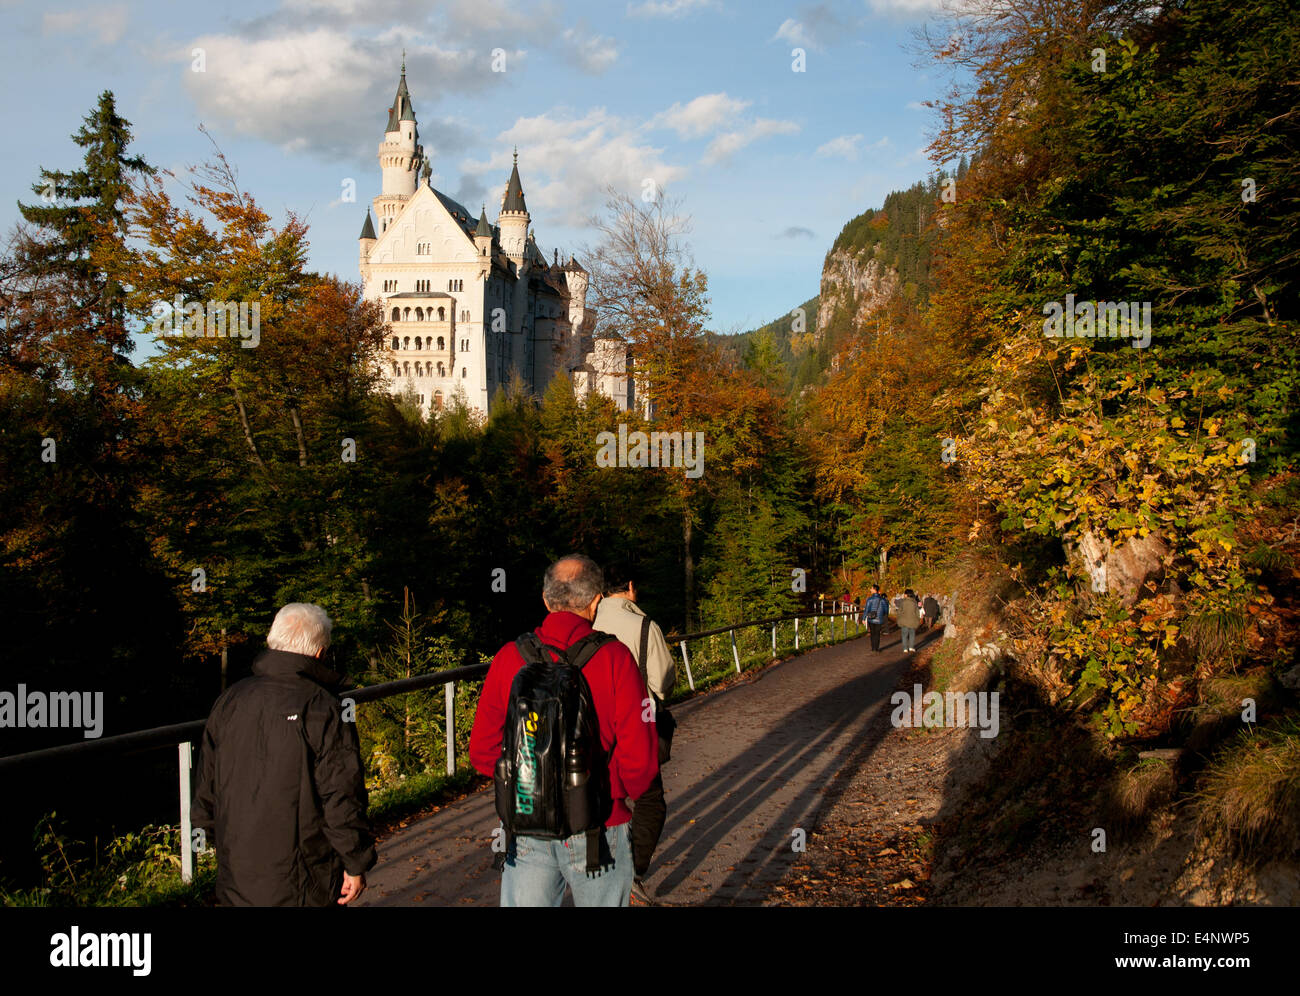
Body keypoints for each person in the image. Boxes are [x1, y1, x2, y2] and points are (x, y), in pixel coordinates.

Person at [470, 555, 658, 907]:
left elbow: (482, 752)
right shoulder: (616, 658)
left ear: (545, 599)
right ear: (596, 601)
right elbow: (641, 761)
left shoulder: (509, 658)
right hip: (600, 825)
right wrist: (616, 793)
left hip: (526, 824)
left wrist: (525, 783)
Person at [192, 603, 376, 906]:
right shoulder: (323, 706)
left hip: (236, 872)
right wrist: (355, 862)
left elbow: (206, 788)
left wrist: (219, 843)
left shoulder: (230, 700)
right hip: (303, 877)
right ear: (319, 654)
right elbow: (341, 794)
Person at [592, 568, 675, 904]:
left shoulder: (590, 623)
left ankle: (596, 870)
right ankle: (632, 874)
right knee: (650, 801)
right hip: (639, 727)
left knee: (601, 799)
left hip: (594, 730)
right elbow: (663, 680)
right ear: (629, 588)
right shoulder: (645, 627)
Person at [863, 584, 890, 653]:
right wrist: (882, 614)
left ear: (874, 589)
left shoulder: (869, 599)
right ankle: (876, 648)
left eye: (871, 588)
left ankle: (873, 648)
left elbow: (866, 609)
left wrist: (863, 618)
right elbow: (886, 610)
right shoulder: (883, 600)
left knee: (872, 633)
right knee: (877, 634)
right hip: (879, 619)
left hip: (871, 619)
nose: (870, 590)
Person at [897, 589, 922, 654]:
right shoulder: (914, 602)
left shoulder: (902, 602)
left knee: (904, 635)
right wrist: (917, 620)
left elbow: (899, 612)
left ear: (906, 595)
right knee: (912, 635)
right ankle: (911, 647)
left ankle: (905, 648)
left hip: (904, 621)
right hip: (913, 621)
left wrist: (899, 619)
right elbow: (917, 613)